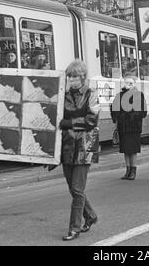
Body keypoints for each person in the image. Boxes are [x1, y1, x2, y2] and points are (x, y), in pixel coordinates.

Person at [58, 60, 100, 241]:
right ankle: (90, 215)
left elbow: (92, 120)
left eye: (75, 77)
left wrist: (68, 123)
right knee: (73, 189)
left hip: (85, 146)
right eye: (70, 77)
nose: (72, 80)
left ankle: (74, 228)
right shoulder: (63, 95)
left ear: (82, 76)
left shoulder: (91, 94)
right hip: (67, 146)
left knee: (77, 188)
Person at [111, 73, 147, 180]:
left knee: (133, 150)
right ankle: (127, 171)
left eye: (130, 83)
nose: (128, 85)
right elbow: (114, 109)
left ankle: (133, 171)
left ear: (134, 84)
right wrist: (117, 116)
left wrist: (127, 116)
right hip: (123, 127)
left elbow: (142, 112)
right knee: (125, 150)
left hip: (133, 127)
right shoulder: (119, 95)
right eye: (126, 83)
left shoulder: (139, 95)